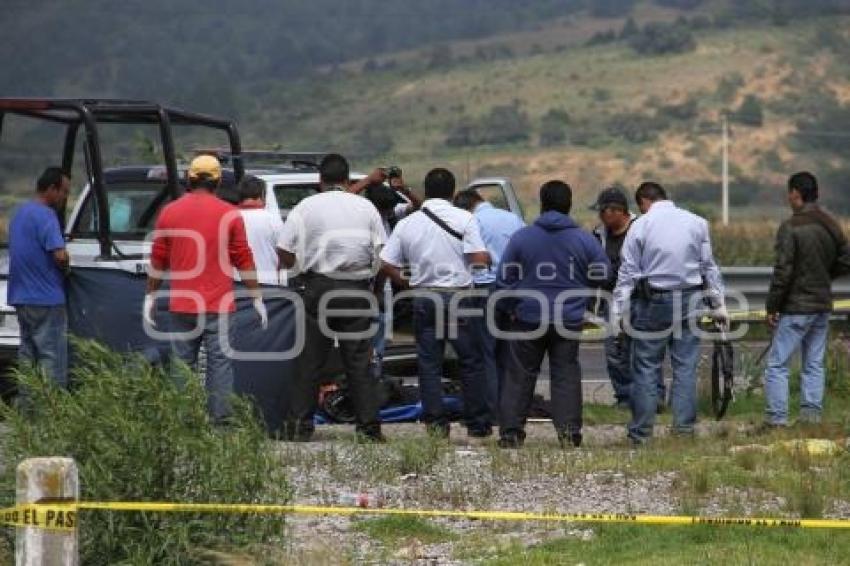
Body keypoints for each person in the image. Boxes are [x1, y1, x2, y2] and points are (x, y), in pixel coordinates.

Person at [145, 155, 268, 424]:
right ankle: (221, 425)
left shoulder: (170, 212)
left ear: (189, 179)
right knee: (220, 364)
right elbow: (242, 257)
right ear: (218, 181)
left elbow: (158, 259)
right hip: (219, 305)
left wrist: (150, 295)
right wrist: (256, 296)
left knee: (183, 365)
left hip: (182, 305)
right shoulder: (229, 214)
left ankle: (184, 424)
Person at [279, 154, 388, 442]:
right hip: (356, 289)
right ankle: (369, 429)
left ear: (320, 180)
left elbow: (283, 249)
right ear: (348, 179)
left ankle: (299, 427)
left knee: (310, 361)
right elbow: (381, 253)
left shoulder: (306, 206)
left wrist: (300, 269)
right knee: (359, 362)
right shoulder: (365, 207)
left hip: (319, 287)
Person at [495, 180, 610, 449]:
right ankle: (569, 434)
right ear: (568, 205)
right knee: (565, 374)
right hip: (568, 319)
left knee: (520, 375)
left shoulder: (522, 237)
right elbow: (605, 273)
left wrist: (512, 307)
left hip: (527, 317)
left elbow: (504, 279)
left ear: (542, 203)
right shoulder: (583, 238)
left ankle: (511, 433)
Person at [613, 182, 727, 445]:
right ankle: (683, 432)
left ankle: (641, 434)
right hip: (690, 298)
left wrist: (618, 313)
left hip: (653, 300)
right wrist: (718, 303)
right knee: (685, 366)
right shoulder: (697, 222)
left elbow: (628, 272)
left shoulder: (640, 225)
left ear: (643, 201)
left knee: (645, 367)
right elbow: (708, 267)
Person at [380, 168, 491, 439]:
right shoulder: (465, 218)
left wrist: (405, 282)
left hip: (424, 296)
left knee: (429, 363)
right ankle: (477, 423)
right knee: (470, 361)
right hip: (459, 297)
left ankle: (436, 424)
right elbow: (478, 258)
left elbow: (385, 263)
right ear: (453, 192)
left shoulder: (408, 223)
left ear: (426, 191)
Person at [764, 172, 850, 427]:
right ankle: (811, 419)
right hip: (822, 304)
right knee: (814, 363)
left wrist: (772, 306)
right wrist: (823, 277)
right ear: (817, 194)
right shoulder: (831, 224)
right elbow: (846, 260)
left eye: (789, 193)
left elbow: (783, 271)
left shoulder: (791, 227)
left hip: (797, 306)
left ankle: (776, 420)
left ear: (795, 194)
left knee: (778, 364)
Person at [453, 188, 525, 423]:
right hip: (512, 288)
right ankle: (510, 408)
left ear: (465, 207)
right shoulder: (512, 218)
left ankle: (493, 412)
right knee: (507, 353)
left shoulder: (470, 221)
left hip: (484, 289)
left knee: (486, 354)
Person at [8, 166, 71, 387]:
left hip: (21, 297)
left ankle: (27, 413)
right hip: (46, 299)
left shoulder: (19, 213)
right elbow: (60, 255)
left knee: (28, 358)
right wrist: (67, 267)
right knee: (51, 359)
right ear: (52, 189)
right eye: (64, 192)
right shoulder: (47, 216)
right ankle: (50, 416)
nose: (64, 198)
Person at [590, 187, 636, 410]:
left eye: (602, 211)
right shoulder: (598, 235)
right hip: (610, 300)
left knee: (641, 351)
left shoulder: (640, 229)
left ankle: (652, 398)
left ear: (616, 211)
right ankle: (625, 397)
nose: (600, 216)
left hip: (639, 299)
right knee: (614, 352)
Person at [237, 175, 286, 286]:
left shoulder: (228, 219)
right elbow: (284, 253)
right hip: (268, 284)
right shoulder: (273, 220)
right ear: (263, 195)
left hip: (237, 285)